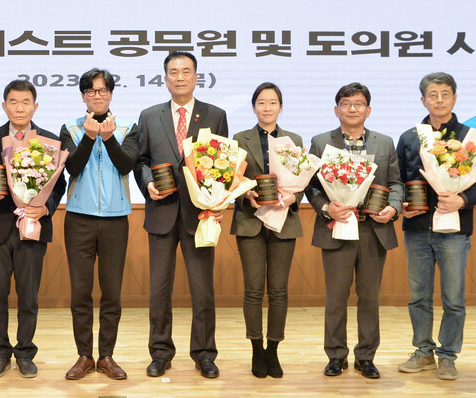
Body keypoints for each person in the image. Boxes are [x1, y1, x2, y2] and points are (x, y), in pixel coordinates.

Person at [134, 51, 228, 379]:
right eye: (173, 72)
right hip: (161, 212)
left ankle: (204, 354)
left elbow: (225, 162)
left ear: (196, 77)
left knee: (202, 290)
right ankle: (160, 352)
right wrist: (147, 184)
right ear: (165, 79)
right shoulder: (150, 116)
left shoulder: (215, 115)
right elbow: (141, 160)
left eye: (186, 71)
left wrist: (218, 201)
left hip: (200, 214)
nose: (180, 77)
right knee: (159, 289)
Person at [395, 72, 476, 380]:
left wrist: (462, 200)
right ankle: (423, 352)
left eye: (445, 94)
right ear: (423, 100)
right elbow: (398, 180)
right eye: (432, 95)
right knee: (418, 296)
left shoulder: (470, 138)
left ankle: (448, 355)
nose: (439, 100)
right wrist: (402, 205)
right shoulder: (409, 138)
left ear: (454, 98)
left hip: (455, 229)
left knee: (453, 298)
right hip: (417, 229)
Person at [304, 82, 402, 380]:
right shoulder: (321, 142)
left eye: (358, 104)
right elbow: (310, 186)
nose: (352, 109)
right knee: (336, 297)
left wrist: (393, 207)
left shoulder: (385, 143)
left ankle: (366, 357)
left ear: (368, 110)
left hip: (372, 230)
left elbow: (396, 183)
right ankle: (336, 355)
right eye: (346, 104)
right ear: (337, 110)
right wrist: (326, 208)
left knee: (369, 297)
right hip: (336, 227)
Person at [0, 80, 66, 379]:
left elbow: (59, 184)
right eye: (13, 102)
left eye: (26, 102)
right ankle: (0, 353)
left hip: (34, 228)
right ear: (4, 106)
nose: (19, 108)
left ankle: (25, 353)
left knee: (29, 296)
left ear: (35, 106)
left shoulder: (50, 141)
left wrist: (46, 207)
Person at [59, 68, 139, 381]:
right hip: (78, 218)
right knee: (80, 292)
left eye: (103, 90)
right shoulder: (70, 128)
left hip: (116, 220)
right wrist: (90, 137)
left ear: (111, 94)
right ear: (83, 96)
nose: (97, 95)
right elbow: (72, 168)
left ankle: (106, 356)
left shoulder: (127, 128)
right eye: (91, 90)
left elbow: (126, 165)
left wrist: (108, 137)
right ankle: (84, 356)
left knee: (112, 293)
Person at [230, 82, 302, 379]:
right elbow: (231, 178)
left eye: (273, 102)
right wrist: (245, 193)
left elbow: (303, 180)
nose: (267, 107)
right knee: (253, 289)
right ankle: (256, 349)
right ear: (254, 107)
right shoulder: (240, 138)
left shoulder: (293, 139)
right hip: (251, 220)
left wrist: (294, 197)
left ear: (281, 107)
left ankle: (273, 349)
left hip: (284, 221)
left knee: (279, 290)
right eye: (261, 102)